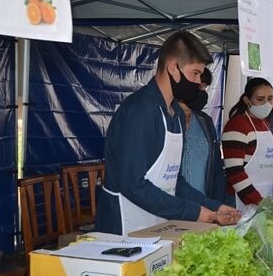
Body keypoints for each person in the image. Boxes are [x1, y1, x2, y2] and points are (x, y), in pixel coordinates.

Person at [96, 31, 240, 235]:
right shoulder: (141, 111)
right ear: (173, 68)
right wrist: (195, 213)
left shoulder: (177, 114)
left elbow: (174, 180)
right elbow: (132, 185)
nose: (198, 82)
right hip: (125, 225)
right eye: (195, 73)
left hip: (158, 225)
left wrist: (213, 207)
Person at [176, 68, 231, 206]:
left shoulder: (205, 122)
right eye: (199, 87)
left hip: (202, 207)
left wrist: (216, 205)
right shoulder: (163, 118)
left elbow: (216, 169)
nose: (202, 92)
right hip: (170, 206)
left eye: (204, 87)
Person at [222, 77, 273, 207]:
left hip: (266, 195)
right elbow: (234, 171)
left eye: (270, 98)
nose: (267, 104)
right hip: (242, 200)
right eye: (260, 99)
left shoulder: (265, 124)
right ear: (247, 100)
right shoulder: (237, 126)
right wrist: (257, 201)